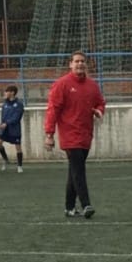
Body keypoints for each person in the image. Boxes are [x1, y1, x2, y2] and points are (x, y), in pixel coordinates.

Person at [44, 51, 105, 217]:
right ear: (70, 64)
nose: (80, 64)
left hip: (86, 134)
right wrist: (49, 134)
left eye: (82, 61)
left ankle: (69, 208)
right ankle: (86, 205)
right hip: (70, 135)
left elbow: (100, 103)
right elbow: (53, 110)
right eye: (76, 61)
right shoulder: (62, 84)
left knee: (74, 170)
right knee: (79, 169)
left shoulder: (92, 85)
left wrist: (99, 111)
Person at [0, 85, 25, 173]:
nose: (5, 93)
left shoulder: (19, 104)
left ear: (12, 92)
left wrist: (7, 123)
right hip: (4, 129)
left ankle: (19, 166)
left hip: (14, 129)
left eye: (7, 91)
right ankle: (5, 159)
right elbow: (3, 115)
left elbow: (17, 117)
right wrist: (2, 123)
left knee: (18, 147)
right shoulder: (4, 104)